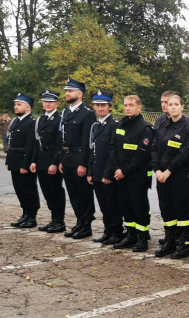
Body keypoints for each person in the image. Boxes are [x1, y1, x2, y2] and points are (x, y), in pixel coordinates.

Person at [106, 95, 155, 252]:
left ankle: (142, 237)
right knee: (125, 206)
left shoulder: (145, 128)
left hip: (136, 176)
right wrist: (116, 169)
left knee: (138, 206)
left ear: (139, 108)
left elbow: (142, 155)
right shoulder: (120, 125)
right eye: (125, 105)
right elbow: (112, 148)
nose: (127, 108)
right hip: (120, 175)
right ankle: (130, 235)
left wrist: (124, 171)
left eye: (131, 105)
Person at [151, 94, 189, 259]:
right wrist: (157, 170)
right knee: (166, 208)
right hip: (161, 175)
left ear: (182, 106)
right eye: (170, 104)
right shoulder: (163, 126)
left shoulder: (187, 127)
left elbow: (185, 152)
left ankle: (183, 245)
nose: (173, 107)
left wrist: (169, 171)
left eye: (176, 104)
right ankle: (170, 241)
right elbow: (154, 148)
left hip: (178, 175)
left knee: (180, 208)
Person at [56, 78, 96, 238]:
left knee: (84, 193)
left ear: (79, 94)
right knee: (73, 193)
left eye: (70, 91)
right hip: (67, 158)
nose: (67, 93)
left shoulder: (87, 114)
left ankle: (86, 225)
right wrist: (60, 159)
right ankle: (79, 222)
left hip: (79, 158)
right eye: (66, 91)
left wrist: (83, 163)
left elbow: (88, 141)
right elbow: (62, 138)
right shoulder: (65, 112)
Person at [87, 90, 123, 245]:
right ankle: (107, 231)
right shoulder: (95, 126)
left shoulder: (114, 125)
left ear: (110, 107)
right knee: (103, 205)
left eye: (103, 105)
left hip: (107, 175)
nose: (100, 108)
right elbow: (92, 150)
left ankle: (116, 232)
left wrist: (108, 174)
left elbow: (114, 154)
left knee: (112, 205)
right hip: (96, 172)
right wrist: (90, 171)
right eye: (97, 105)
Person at [30, 90, 67, 233]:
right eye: (45, 101)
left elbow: (60, 143)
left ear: (56, 103)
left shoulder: (60, 119)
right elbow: (36, 142)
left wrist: (55, 163)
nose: (48, 104)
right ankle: (53, 219)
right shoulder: (40, 120)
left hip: (53, 159)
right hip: (41, 159)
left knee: (55, 190)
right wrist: (34, 161)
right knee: (46, 191)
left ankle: (60, 221)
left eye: (51, 102)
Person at [5, 93, 40, 228]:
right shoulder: (15, 121)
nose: (15, 107)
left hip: (24, 160)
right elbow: (10, 142)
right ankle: (25, 214)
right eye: (15, 104)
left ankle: (32, 217)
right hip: (14, 159)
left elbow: (32, 145)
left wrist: (26, 164)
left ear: (27, 107)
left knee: (28, 189)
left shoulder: (31, 122)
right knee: (19, 188)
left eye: (19, 104)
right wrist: (8, 160)